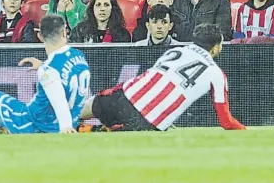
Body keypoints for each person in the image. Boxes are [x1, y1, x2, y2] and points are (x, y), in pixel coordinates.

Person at [78, 23, 245, 132]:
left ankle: (62, 121)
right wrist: (244, 131)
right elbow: (226, 122)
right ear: (215, 48)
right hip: (148, 121)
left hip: (124, 97)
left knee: (76, 111)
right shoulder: (216, 74)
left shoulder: (174, 51)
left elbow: (152, 80)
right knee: (111, 138)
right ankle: (89, 131)